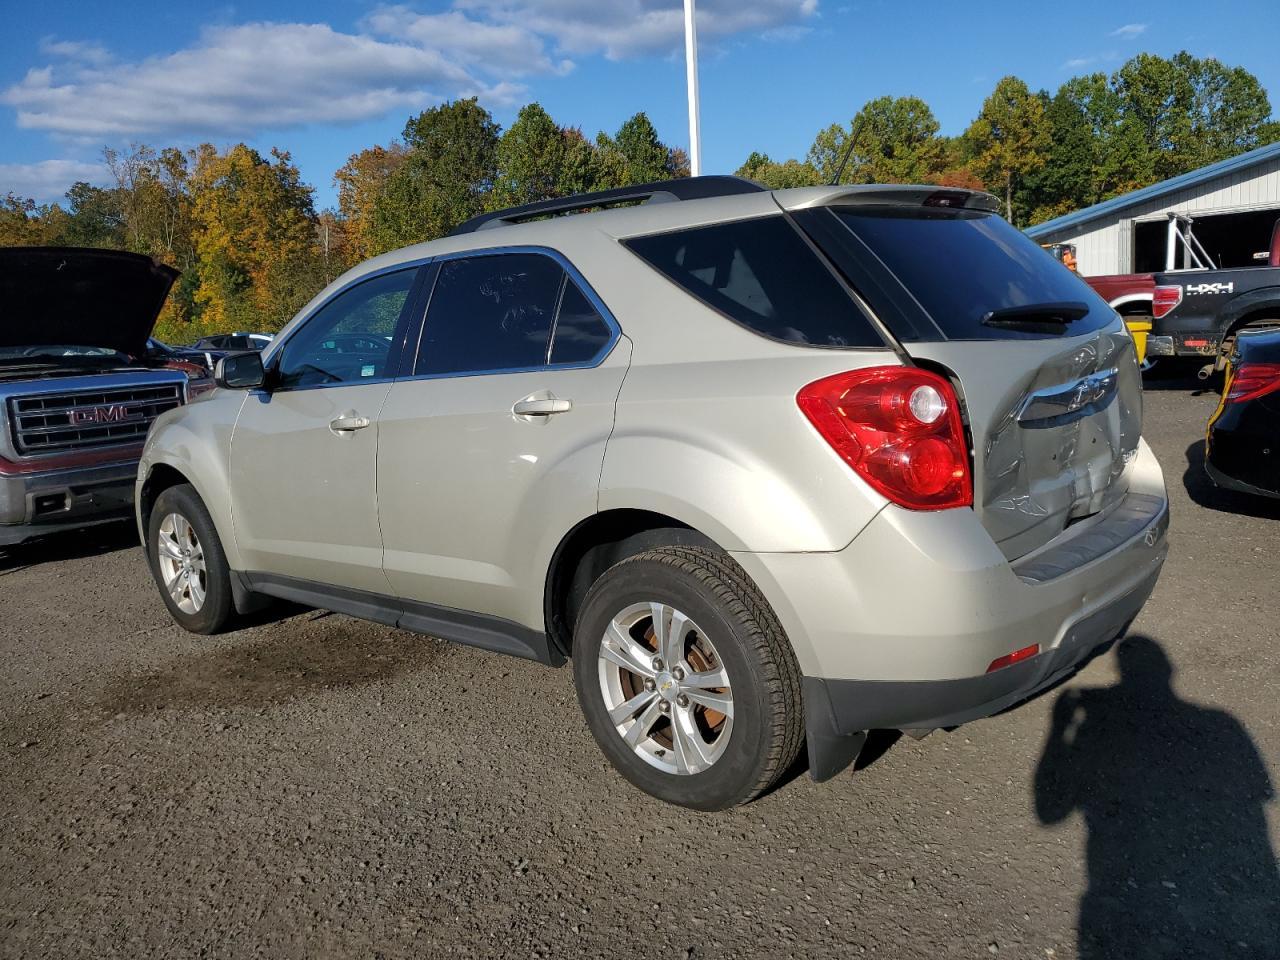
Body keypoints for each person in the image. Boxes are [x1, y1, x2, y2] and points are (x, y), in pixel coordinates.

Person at [1034, 636, 1279, 959]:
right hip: (1217, 892)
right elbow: (1257, 795)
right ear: (1170, 671)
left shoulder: (1093, 719)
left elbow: (1050, 813)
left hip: (1112, 894)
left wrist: (1059, 726)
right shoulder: (1222, 724)